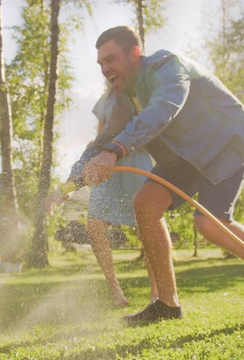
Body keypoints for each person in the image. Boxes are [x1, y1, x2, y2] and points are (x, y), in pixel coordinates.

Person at [78, 25, 244, 325]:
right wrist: (76, 176)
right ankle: (167, 304)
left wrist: (115, 151)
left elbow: (163, 110)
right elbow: (105, 138)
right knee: (145, 204)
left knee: (209, 223)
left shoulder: (168, 66)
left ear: (135, 53)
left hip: (224, 141)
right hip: (182, 157)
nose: (105, 69)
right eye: (101, 63)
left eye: (111, 59)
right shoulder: (123, 97)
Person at [46, 85, 156, 307]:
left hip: (139, 162)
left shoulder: (145, 93)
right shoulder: (105, 101)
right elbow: (98, 141)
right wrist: (66, 190)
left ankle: (158, 293)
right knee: (95, 225)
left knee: (149, 230)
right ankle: (115, 291)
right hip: (107, 166)